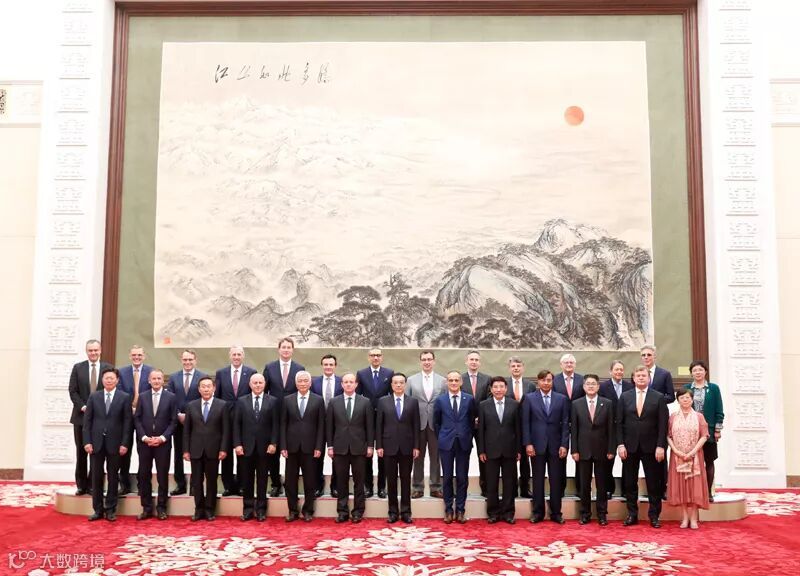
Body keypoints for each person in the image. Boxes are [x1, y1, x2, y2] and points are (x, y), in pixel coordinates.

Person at [617, 365, 669, 528]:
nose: (640, 378)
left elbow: (663, 424)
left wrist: (661, 446)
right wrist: (620, 444)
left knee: (654, 483)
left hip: (652, 448)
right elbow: (619, 423)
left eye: (643, 375)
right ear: (633, 378)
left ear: (649, 378)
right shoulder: (625, 397)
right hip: (629, 447)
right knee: (630, 483)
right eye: (638, 375)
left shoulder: (658, 397)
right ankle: (632, 514)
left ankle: (654, 516)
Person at [83, 368, 132, 521]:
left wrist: (124, 443)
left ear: (117, 380)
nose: (109, 380)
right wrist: (87, 441)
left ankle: (111, 509)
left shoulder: (124, 397)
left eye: (112, 378)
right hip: (96, 443)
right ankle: (97, 510)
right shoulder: (94, 396)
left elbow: (127, 423)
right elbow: (87, 421)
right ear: (102, 380)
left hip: (115, 444)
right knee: (96, 477)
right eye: (106, 378)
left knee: (113, 477)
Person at [522, 370, 570, 524]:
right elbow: (525, 423)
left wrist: (564, 444)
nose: (546, 383)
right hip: (536, 446)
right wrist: (528, 443)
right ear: (538, 382)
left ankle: (556, 513)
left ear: (552, 381)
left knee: (556, 480)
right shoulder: (529, 398)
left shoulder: (562, 399)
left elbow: (565, 424)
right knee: (537, 480)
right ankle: (538, 512)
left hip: (556, 446)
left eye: (549, 380)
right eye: (543, 380)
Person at [327, 373, 374, 523]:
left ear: (356, 384)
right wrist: (330, 446)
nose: (348, 384)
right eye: (345, 382)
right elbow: (329, 427)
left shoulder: (365, 402)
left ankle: (358, 511)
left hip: (359, 448)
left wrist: (370, 446)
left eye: (351, 382)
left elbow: (369, 426)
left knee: (359, 482)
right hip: (339, 448)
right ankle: (342, 511)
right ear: (341, 384)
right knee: (341, 481)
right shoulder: (333, 402)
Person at [68, 339, 112, 496]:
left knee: (97, 453)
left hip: (100, 419)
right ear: (86, 351)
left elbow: (110, 390)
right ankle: (81, 485)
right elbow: (73, 391)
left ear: (100, 351)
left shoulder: (108, 368)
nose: (93, 353)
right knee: (81, 452)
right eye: (90, 350)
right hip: (81, 418)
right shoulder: (78, 368)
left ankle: (93, 485)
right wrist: (83, 406)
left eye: (95, 350)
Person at [233, 373, 279, 522]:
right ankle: (247, 509)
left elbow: (276, 425)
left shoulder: (273, 401)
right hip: (245, 448)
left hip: (265, 448)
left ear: (264, 384)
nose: (258, 385)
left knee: (262, 480)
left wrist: (273, 443)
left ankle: (261, 510)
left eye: (260, 382)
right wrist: (237, 444)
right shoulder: (241, 401)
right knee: (246, 480)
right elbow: (236, 424)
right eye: (255, 383)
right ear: (250, 384)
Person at [570, 374, 615, 525]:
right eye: (588, 384)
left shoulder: (607, 403)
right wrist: (574, 450)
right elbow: (574, 429)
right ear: (584, 387)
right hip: (583, 450)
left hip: (602, 450)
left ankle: (602, 514)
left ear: (598, 386)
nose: (590, 386)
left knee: (602, 484)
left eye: (593, 384)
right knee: (584, 484)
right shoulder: (576, 404)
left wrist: (611, 449)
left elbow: (611, 428)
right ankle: (585, 513)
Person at [263, 337, 305, 496]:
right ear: (279, 349)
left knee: (292, 452)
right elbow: (264, 391)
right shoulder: (269, 367)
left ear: (293, 350)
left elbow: (302, 390)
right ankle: (275, 483)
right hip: (273, 417)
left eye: (289, 347)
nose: (286, 350)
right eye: (284, 347)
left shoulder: (299, 368)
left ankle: (290, 484)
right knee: (272, 453)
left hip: (293, 417)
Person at [182, 376, 229, 521]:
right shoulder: (191, 405)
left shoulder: (222, 405)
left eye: (209, 386)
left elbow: (226, 430)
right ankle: (198, 509)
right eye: (203, 386)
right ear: (199, 389)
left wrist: (223, 449)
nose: (206, 389)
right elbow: (187, 430)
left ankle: (209, 509)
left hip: (214, 450)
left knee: (212, 481)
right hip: (195, 449)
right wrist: (186, 450)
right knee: (196, 482)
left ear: (214, 388)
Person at [376, 373, 420, 524]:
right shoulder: (383, 401)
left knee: (406, 480)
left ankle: (406, 512)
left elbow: (416, 425)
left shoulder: (413, 402)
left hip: (407, 447)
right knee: (391, 480)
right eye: (396, 382)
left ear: (405, 385)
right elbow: (379, 425)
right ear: (391, 385)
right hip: (388, 446)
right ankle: (393, 512)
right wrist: (379, 445)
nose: (399, 385)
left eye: (401, 382)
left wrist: (416, 446)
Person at [134, 368, 178, 520]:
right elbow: (137, 419)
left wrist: (162, 438)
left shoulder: (171, 397)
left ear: (163, 380)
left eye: (159, 378)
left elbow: (173, 421)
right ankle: (146, 508)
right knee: (144, 475)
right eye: (154, 378)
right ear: (149, 380)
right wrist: (144, 437)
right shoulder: (143, 396)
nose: (156, 381)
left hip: (163, 444)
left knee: (162, 476)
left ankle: (161, 508)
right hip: (145, 443)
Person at [282, 370, 326, 522]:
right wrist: (283, 445)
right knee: (290, 481)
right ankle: (292, 510)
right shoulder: (287, 400)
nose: (302, 383)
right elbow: (283, 424)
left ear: (310, 383)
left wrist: (319, 446)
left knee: (310, 481)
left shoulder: (318, 400)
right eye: (300, 381)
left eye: (305, 381)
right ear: (296, 383)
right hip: (291, 448)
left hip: (311, 447)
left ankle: (308, 510)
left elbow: (321, 426)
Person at [433, 371, 476, 524]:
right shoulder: (440, 400)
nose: (453, 383)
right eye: (450, 380)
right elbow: (436, 422)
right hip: (446, 443)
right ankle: (448, 510)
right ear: (447, 382)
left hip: (463, 443)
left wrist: (467, 435)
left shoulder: (469, 399)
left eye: (456, 380)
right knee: (447, 477)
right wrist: (443, 436)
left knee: (462, 477)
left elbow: (472, 421)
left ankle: (460, 510)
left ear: (461, 382)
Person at [477, 376, 521, 524]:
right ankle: (493, 513)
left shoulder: (514, 404)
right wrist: (481, 450)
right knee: (491, 483)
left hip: (510, 450)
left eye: (501, 387)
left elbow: (518, 429)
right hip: (490, 450)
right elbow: (481, 430)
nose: (498, 390)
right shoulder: (483, 405)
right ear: (491, 389)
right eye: (495, 387)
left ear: (506, 388)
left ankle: (508, 513)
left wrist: (518, 449)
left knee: (509, 483)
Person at [216, 345, 258, 497]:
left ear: (243, 356)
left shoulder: (251, 372)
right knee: (226, 453)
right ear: (230, 356)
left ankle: (242, 485)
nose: (236, 357)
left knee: (243, 454)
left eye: (239, 354)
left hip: (245, 420)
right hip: (226, 419)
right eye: (234, 354)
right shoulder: (221, 373)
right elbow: (218, 396)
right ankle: (228, 486)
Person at [667, 388, 710, 529]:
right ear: (678, 400)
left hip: (695, 456)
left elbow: (704, 436)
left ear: (692, 400)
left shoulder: (699, 416)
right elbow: (668, 436)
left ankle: (694, 518)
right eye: (682, 398)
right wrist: (675, 450)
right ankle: (684, 517)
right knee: (681, 487)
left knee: (694, 487)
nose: (685, 400)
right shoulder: (673, 417)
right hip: (678, 456)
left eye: (688, 397)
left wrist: (692, 451)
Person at [166, 349, 207, 495]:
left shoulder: (203, 377)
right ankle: (180, 484)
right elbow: (170, 398)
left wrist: (190, 416)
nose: (187, 362)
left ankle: (196, 485)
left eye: (190, 359)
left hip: (197, 422)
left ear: (195, 360)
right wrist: (178, 414)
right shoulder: (173, 378)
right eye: (185, 359)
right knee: (178, 453)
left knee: (197, 454)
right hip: (178, 422)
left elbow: (204, 398)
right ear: (181, 360)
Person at [408, 350, 446, 498]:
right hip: (418, 424)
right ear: (420, 362)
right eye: (424, 359)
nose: (427, 362)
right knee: (417, 456)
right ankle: (417, 487)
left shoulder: (442, 381)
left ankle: (435, 487)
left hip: (436, 425)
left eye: (429, 359)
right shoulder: (411, 380)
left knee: (435, 457)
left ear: (434, 361)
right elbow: (408, 403)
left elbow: (444, 403)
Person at [356, 348, 394, 498]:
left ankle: (382, 487)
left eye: (378, 355)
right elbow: (358, 396)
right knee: (367, 454)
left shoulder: (389, 373)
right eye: (373, 355)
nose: (375, 358)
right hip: (366, 419)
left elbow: (392, 396)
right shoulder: (361, 373)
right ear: (368, 358)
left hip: (385, 419)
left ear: (382, 357)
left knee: (383, 454)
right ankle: (368, 487)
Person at [684, 360, 724, 501]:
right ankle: (691, 493)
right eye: (695, 370)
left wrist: (717, 429)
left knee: (709, 460)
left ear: (705, 371)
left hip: (709, 430)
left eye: (700, 370)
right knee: (690, 461)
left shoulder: (713, 388)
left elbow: (719, 409)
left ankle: (708, 493)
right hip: (690, 430)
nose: (698, 372)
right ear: (691, 373)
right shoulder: (687, 388)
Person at [118, 344, 152, 495]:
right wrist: (129, 408)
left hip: (144, 417)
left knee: (143, 452)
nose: (136, 357)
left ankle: (142, 484)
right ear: (130, 356)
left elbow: (152, 393)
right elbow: (119, 393)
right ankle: (124, 484)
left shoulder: (151, 371)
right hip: (125, 417)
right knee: (124, 450)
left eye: (139, 355)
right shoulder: (121, 372)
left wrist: (139, 410)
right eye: (134, 355)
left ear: (144, 356)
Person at [599, 360, 632, 499]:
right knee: (608, 460)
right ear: (610, 371)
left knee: (628, 460)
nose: (619, 372)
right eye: (616, 369)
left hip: (626, 428)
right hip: (608, 428)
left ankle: (626, 489)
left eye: (621, 369)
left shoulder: (630, 386)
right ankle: (608, 488)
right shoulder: (603, 387)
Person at [553, 353, 585, 497]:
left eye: (571, 362)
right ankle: (560, 489)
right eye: (566, 362)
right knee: (561, 456)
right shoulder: (554, 380)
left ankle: (581, 488)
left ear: (575, 364)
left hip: (580, 423)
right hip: (560, 423)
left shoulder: (582, 380)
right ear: (561, 365)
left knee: (581, 456)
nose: (569, 364)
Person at [311, 355, 342, 497]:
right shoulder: (314, 382)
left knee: (337, 456)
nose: (328, 367)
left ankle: (335, 486)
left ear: (335, 366)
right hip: (318, 424)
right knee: (317, 455)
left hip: (337, 424)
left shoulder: (342, 382)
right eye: (326, 364)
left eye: (331, 364)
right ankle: (318, 484)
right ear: (322, 365)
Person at [461, 350, 491, 496]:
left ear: (479, 362)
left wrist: (481, 416)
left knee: (484, 456)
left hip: (482, 424)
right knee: (463, 456)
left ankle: (485, 488)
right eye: (471, 359)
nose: (474, 362)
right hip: (464, 424)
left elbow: (489, 400)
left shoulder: (487, 379)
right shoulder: (459, 379)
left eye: (476, 360)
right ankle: (462, 489)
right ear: (466, 361)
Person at [505, 356, 536, 498]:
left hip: (525, 426)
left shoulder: (530, 385)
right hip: (508, 427)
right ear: (509, 368)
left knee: (525, 460)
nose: (516, 368)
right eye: (513, 366)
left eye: (518, 366)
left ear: (523, 368)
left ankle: (525, 488)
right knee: (509, 460)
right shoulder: (503, 384)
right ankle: (511, 489)